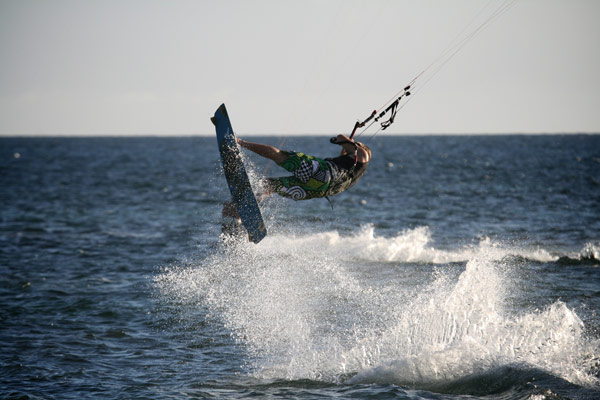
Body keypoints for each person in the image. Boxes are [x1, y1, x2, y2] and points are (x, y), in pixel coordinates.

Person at [237, 134, 371, 201]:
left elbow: (339, 137)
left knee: (280, 156)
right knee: (271, 185)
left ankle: (240, 143)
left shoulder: (363, 155)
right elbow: (341, 171)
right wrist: (345, 151)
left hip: (321, 174)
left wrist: (349, 142)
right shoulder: (353, 173)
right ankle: (246, 207)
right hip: (318, 190)